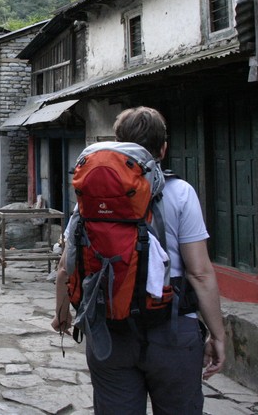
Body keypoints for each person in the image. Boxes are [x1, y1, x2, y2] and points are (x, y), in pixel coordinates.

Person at [51, 106, 225, 415]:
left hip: (110, 329)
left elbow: (66, 266)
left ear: (119, 143)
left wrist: (62, 314)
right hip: (172, 330)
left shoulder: (93, 198)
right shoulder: (180, 192)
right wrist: (218, 334)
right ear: (163, 149)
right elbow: (199, 273)